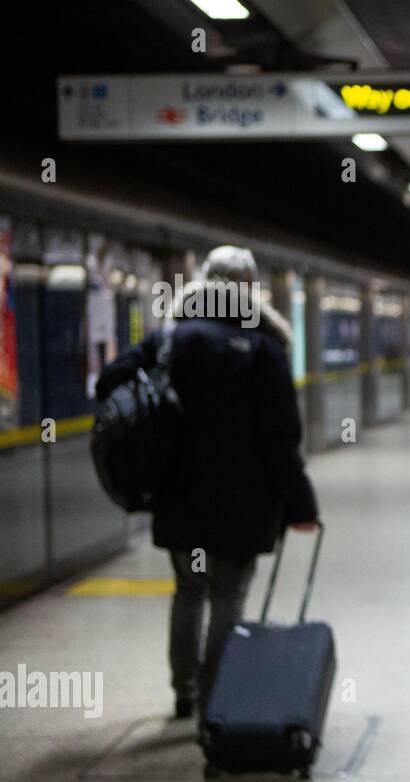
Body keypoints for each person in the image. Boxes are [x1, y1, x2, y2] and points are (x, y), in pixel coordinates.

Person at [95, 246, 318, 720]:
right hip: (244, 500)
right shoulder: (262, 347)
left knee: (189, 591)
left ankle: (184, 690)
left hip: (178, 495)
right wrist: (300, 506)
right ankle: (219, 694)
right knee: (228, 596)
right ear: (248, 289)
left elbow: (109, 382)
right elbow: (282, 437)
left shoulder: (171, 339)